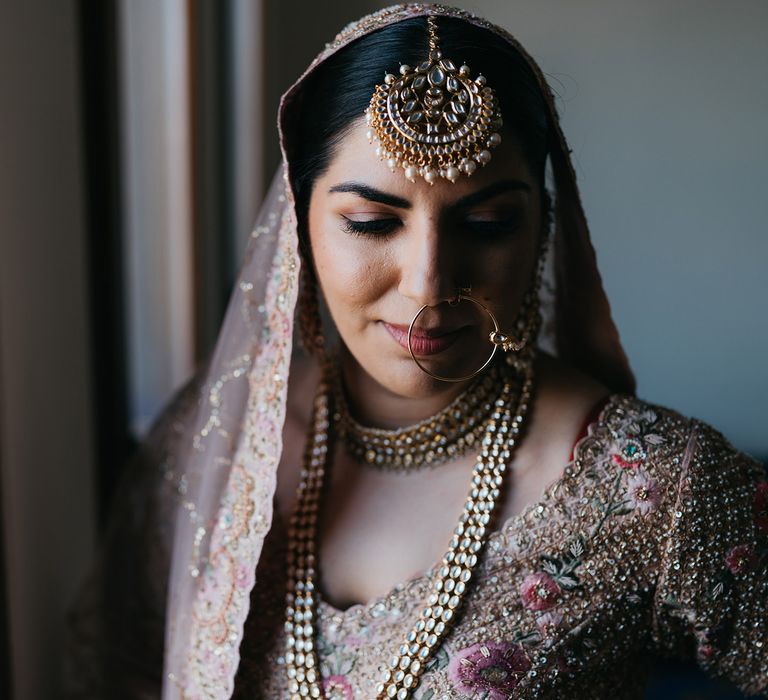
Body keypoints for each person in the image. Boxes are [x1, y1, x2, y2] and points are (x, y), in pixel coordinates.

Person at [67, 4, 767, 699]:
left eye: (487, 223)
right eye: (372, 223)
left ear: (541, 229)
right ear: (298, 226)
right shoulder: (214, 446)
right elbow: (114, 669)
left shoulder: (656, 489)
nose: (430, 283)